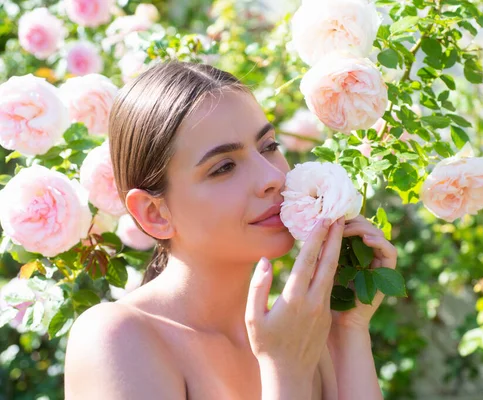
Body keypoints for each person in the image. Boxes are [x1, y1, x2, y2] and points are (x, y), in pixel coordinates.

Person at [63, 61, 398, 399]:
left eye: (268, 146)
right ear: (154, 213)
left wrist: (347, 330)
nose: (271, 177)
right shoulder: (116, 338)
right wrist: (286, 374)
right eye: (224, 167)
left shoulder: (296, 333)